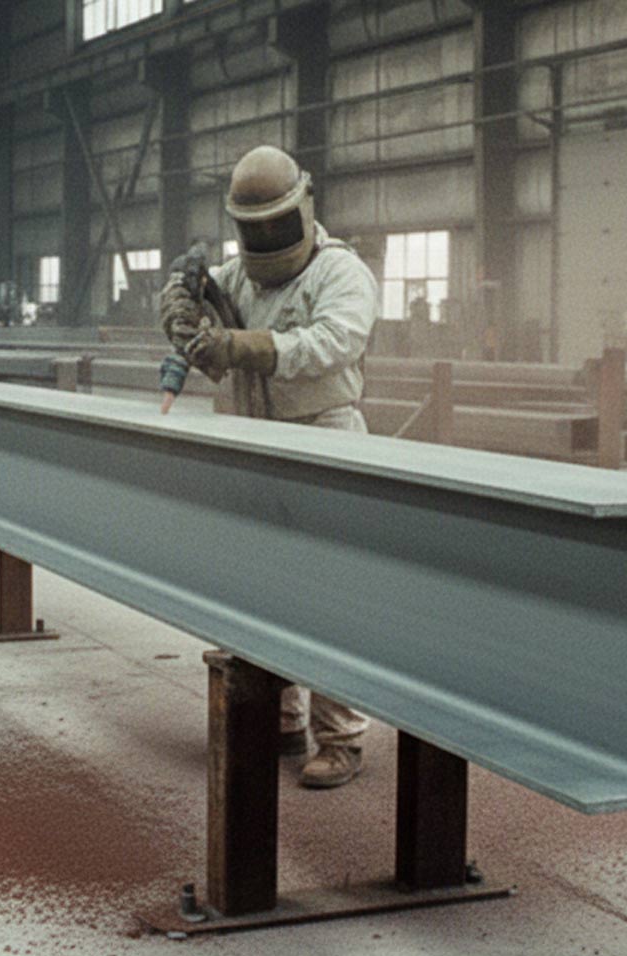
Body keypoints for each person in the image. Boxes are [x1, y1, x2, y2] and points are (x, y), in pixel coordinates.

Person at [158, 145, 379, 789]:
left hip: (323, 440)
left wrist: (247, 345)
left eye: (274, 224)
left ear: (304, 208)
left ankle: (341, 738)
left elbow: (334, 342)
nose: (265, 239)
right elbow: (189, 325)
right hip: (253, 441)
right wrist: (178, 304)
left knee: (327, 595)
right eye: (251, 228)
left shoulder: (340, 274)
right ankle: (283, 719)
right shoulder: (237, 278)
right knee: (259, 585)